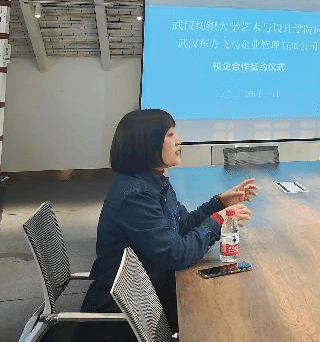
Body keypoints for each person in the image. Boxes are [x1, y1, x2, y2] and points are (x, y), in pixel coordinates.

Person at [80, 109, 258, 338]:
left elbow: (180, 225)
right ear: (147, 143)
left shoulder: (152, 179)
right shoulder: (135, 195)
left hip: (150, 290)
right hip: (130, 315)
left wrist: (218, 203)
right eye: (171, 135)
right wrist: (218, 221)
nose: (178, 141)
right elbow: (176, 254)